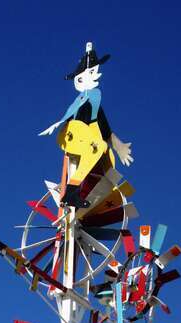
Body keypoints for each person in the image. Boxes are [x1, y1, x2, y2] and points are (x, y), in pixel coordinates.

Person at [39, 42, 132, 208]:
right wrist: (58, 124)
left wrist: (119, 148)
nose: (95, 74)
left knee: (106, 153)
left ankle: (104, 193)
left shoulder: (96, 102)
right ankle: (71, 192)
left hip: (87, 137)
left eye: (95, 71)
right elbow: (70, 114)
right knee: (95, 148)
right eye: (91, 71)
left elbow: (107, 132)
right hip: (72, 134)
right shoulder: (84, 98)